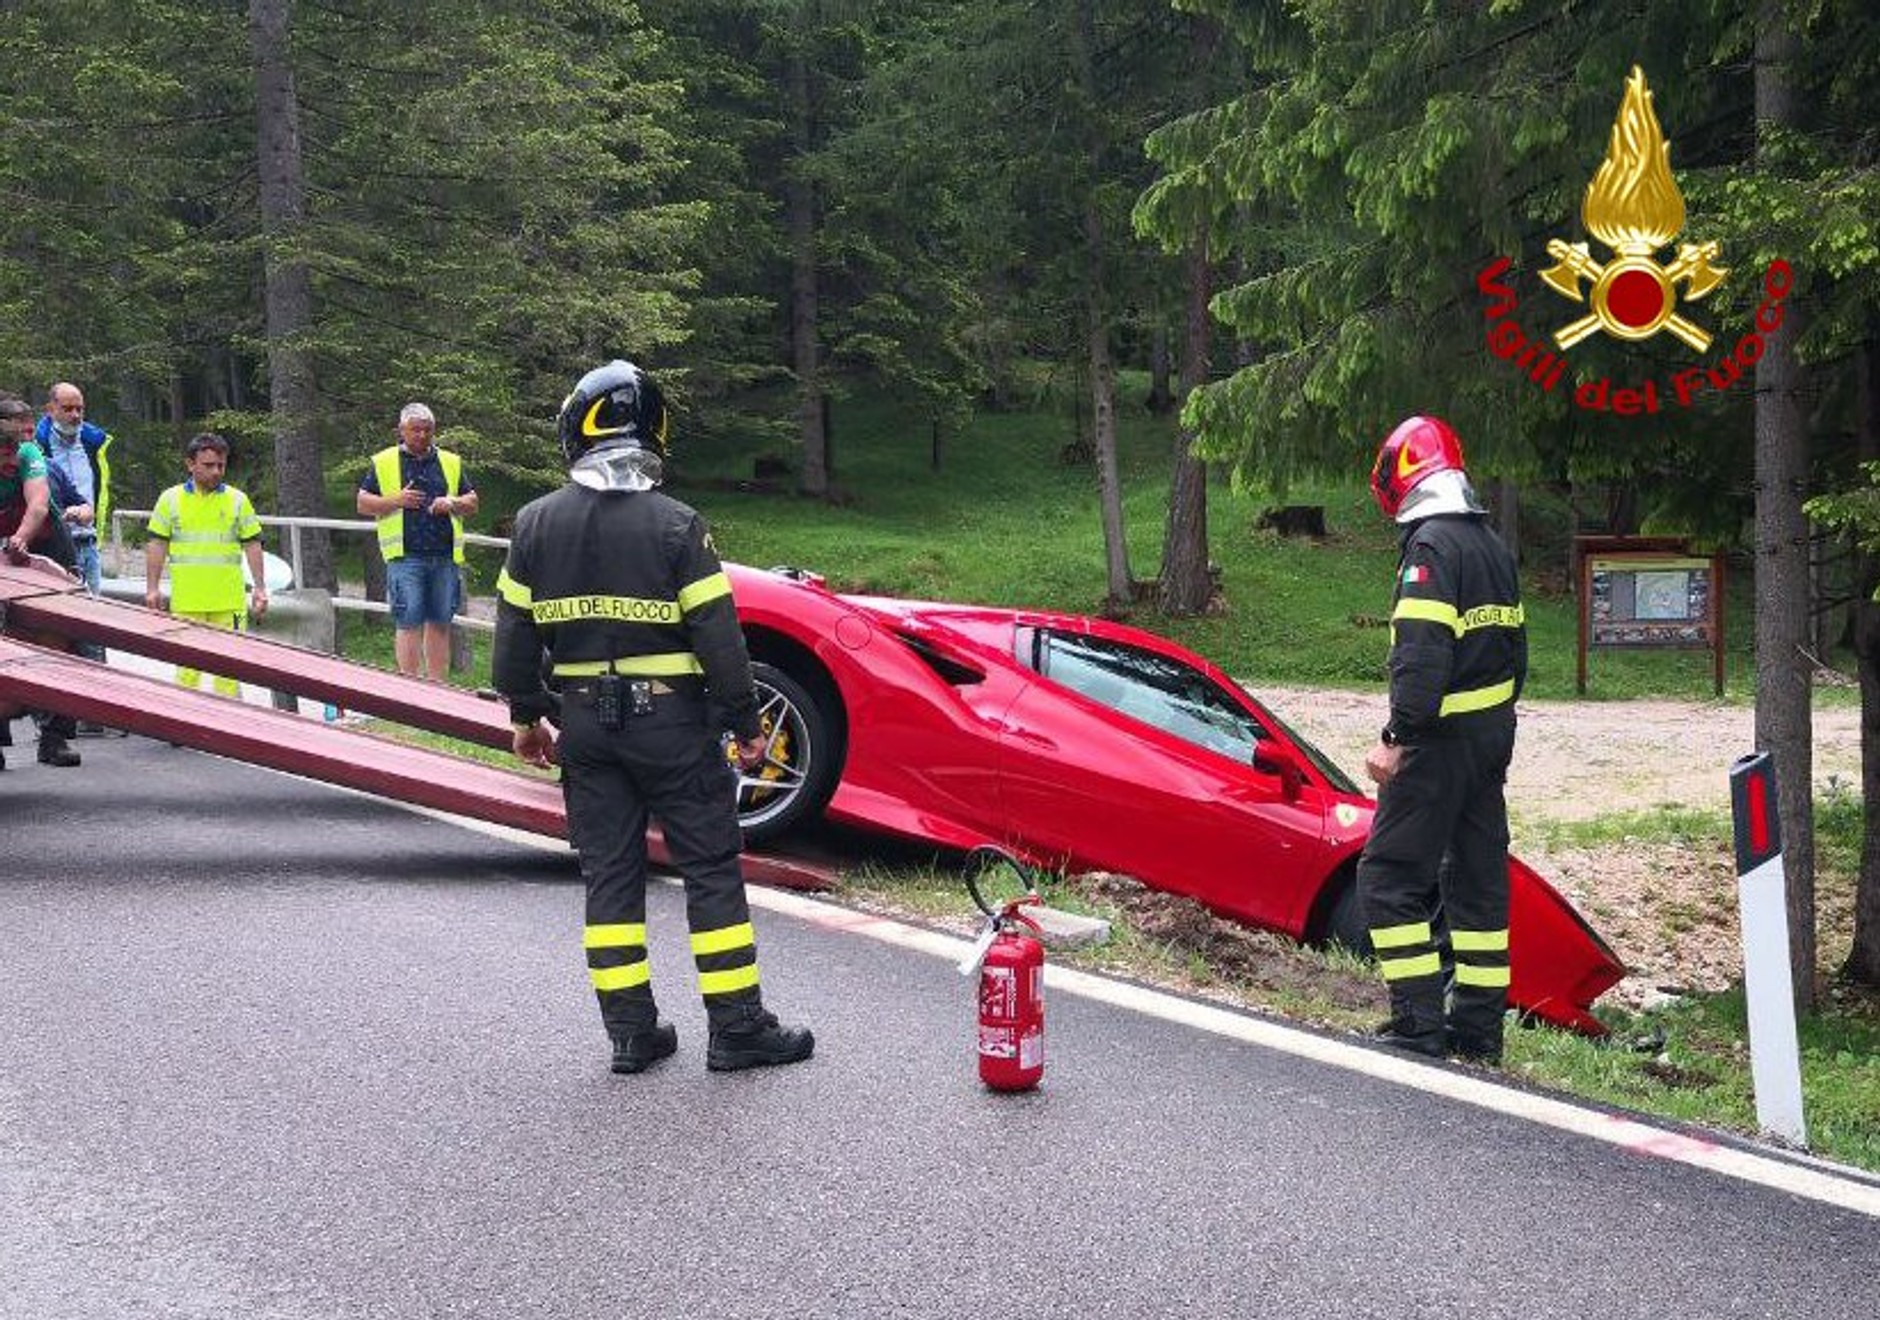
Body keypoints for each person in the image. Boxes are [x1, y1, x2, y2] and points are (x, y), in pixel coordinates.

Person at [493, 359, 813, 1075]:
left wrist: (525, 717)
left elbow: (513, 639)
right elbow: (718, 637)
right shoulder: (677, 526)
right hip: (672, 728)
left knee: (609, 875)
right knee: (709, 869)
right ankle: (736, 1027)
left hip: (583, 730)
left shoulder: (536, 525)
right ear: (654, 434)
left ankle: (632, 1034)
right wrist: (745, 724)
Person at [1355, 415, 1527, 1065]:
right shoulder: (1490, 544)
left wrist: (1399, 737)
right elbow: (1516, 651)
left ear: (1399, 477)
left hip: (1439, 740)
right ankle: (1478, 1031)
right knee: (1477, 880)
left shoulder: (1431, 548)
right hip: (1490, 737)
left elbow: (1421, 657)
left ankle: (1418, 1023)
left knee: (1389, 874)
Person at [355, 403, 478, 681]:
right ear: (401, 431)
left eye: (428, 430)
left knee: (440, 622)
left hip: (444, 556)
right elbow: (362, 502)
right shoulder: (385, 462)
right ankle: (410, 689)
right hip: (405, 556)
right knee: (408, 621)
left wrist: (453, 502)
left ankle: (437, 686)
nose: (422, 435)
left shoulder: (450, 462)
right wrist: (394, 501)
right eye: (415, 430)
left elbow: (472, 502)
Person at [144, 433, 268, 699]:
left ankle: (229, 725)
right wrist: (152, 588)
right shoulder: (170, 499)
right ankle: (185, 722)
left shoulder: (237, 500)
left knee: (229, 669)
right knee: (188, 668)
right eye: (209, 465)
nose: (216, 472)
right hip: (188, 601)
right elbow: (157, 544)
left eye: (221, 466)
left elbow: (253, 544)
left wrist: (260, 587)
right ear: (191, 464)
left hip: (229, 602)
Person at [0, 394, 81, 768]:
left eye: (14, 448)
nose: (10, 456)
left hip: (44, 544)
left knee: (63, 637)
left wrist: (21, 537)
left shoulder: (30, 456)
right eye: (4, 449)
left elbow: (37, 504)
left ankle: (56, 736)